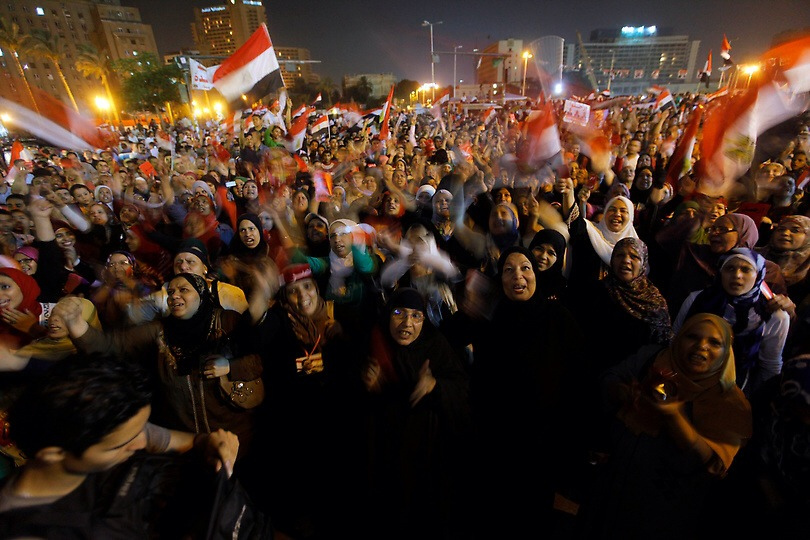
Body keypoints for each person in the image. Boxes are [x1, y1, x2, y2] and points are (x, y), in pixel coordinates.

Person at [0, 356, 240, 539]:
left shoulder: (113, 433)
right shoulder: (30, 529)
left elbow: (190, 442)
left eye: (141, 429)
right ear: (54, 454)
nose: (140, 443)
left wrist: (212, 443)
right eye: (122, 444)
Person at [442, 245, 586, 538]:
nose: (517, 276)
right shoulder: (488, 316)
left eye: (525, 268)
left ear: (536, 274)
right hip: (493, 437)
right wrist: (469, 310)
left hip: (541, 442)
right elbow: (445, 338)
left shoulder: (558, 318)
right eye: (508, 270)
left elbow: (579, 377)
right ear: (500, 280)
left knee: (532, 516)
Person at [575, 313, 753, 540]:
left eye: (715, 342)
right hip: (611, 488)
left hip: (664, 509)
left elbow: (714, 462)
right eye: (692, 337)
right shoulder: (653, 360)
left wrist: (675, 418)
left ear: (727, 351)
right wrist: (622, 392)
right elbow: (609, 379)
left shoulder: (730, 403)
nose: (701, 347)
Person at [56, 274, 262, 458]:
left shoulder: (227, 321)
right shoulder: (159, 331)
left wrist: (230, 367)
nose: (174, 296)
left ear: (201, 294)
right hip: (187, 447)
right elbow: (111, 346)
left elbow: (259, 359)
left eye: (183, 290)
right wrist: (75, 323)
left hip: (237, 441)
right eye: (170, 291)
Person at [243, 262, 366, 539]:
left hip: (338, 421)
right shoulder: (280, 318)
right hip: (296, 425)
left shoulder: (341, 314)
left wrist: (342, 341)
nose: (303, 296)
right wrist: (262, 295)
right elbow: (254, 340)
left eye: (307, 287)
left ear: (317, 288)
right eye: (293, 291)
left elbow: (358, 362)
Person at [361, 287, 472, 540]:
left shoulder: (436, 346)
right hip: (382, 459)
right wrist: (365, 386)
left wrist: (436, 387)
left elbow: (462, 392)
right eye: (398, 313)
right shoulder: (374, 344)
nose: (406, 323)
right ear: (388, 314)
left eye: (416, 316)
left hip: (426, 462)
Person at [673, 248, 790, 398]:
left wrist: (765, 399)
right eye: (730, 268)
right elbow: (675, 337)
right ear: (720, 272)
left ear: (759, 274)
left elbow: (770, 364)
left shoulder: (773, 315)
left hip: (735, 387)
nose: (737, 275)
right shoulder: (698, 299)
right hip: (687, 374)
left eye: (746, 269)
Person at [757, 214, 810, 304]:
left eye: (795, 230)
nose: (785, 233)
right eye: (781, 229)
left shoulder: (807, 266)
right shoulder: (755, 255)